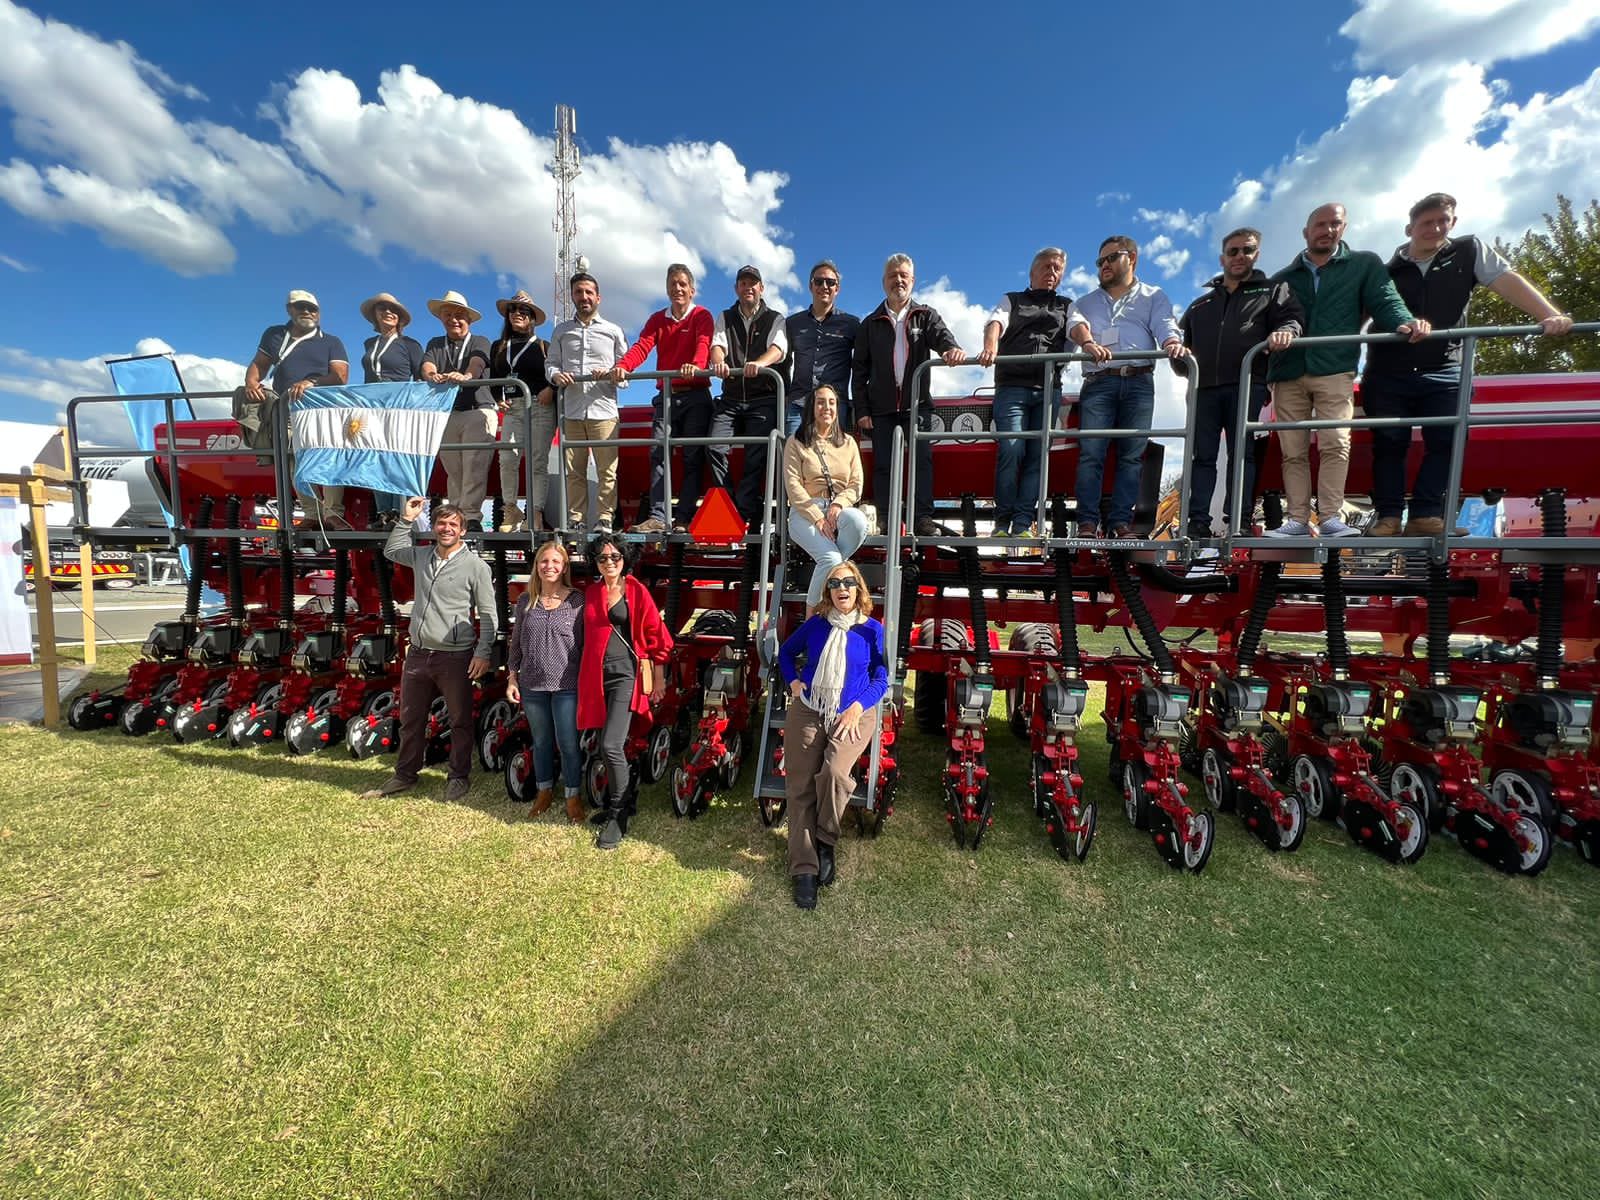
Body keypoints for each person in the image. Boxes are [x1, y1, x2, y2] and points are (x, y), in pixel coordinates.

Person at [1363, 192, 1574, 537]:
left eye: (1442, 221)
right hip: (1388, 369)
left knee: (1448, 438)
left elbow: (1508, 281)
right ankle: (1387, 516)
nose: (1435, 228)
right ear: (1409, 228)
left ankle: (1425, 515)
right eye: (1426, 222)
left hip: (1445, 364)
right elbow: (1355, 316)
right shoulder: (1385, 271)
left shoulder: (1468, 251)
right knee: (1389, 442)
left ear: (1453, 223)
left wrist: (1549, 315)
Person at [1265, 203, 1429, 539]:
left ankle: (1330, 517)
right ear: (1306, 232)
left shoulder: (1363, 265)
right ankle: (1296, 519)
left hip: (1334, 367)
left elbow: (1385, 300)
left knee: (1336, 442)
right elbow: (1267, 320)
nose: (1327, 230)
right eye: (1320, 224)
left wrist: (1405, 321)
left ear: (1343, 228)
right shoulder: (1282, 278)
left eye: (1334, 224)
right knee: (1292, 449)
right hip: (1287, 370)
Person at [362, 498, 497, 804]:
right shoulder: (423, 556)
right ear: (434, 527)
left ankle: (458, 777)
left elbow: (489, 614)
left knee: (460, 719)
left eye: (453, 524)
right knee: (411, 718)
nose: (446, 528)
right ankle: (405, 774)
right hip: (419, 654)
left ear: (462, 530)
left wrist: (483, 652)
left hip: (455, 656)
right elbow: (392, 551)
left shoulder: (476, 567)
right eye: (441, 523)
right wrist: (407, 519)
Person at [1175, 230, 1304, 537]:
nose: (1239, 256)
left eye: (1247, 250)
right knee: (1201, 456)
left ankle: (1239, 521)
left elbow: (1293, 320)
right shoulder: (1200, 305)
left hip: (1248, 385)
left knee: (1241, 453)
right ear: (1223, 258)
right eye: (1233, 251)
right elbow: (1182, 352)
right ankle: (1197, 523)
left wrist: (1286, 332)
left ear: (1256, 254)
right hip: (1202, 388)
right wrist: (1178, 354)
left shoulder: (1273, 290)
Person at [777, 559, 887, 910]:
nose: (843, 588)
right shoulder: (815, 626)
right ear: (828, 591)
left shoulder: (872, 629)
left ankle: (825, 837)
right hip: (810, 707)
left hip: (854, 712)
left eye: (849, 582)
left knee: (836, 774)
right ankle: (804, 869)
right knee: (800, 787)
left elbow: (881, 677)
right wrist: (793, 682)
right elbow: (786, 652)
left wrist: (858, 707)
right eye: (836, 583)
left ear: (859, 590)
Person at [1066, 237, 1185, 538]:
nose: (1103, 265)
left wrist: (1171, 342)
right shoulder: (1085, 302)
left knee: (1132, 455)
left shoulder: (1153, 296)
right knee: (1091, 454)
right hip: (1098, 383)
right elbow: (1074, 324)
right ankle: (1087, 524)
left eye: (1110, 258)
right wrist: (1088, 342)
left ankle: (1120, 523)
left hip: (1139, 382)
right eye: (1099, 261)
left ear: (1131, 258)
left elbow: (1164, 323)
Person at [851, 254, 967, 536]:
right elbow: (859, 369)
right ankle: (887, 517)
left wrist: (951, 349)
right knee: (883, 465)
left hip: (917, 406)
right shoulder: (870, 323)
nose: (898, 280)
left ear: (913, 281)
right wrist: (862, 409)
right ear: (884, 282)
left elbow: (942, 337)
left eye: (904, 275)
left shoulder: (925, 315)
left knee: (921, 462)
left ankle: (922, 518)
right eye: (893, 275)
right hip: (881, 408)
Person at [577, 535, 674, 850]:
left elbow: (656, 635)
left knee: (612, 744)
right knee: (605, 746)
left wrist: (658, 677)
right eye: (603, 558)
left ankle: (619, 815)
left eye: (615, 557)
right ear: (595, 562)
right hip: (595, 677)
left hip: (626, 676)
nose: (609, 563)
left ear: (625, 560)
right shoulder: (590, 593)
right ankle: (623, 800)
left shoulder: (636, 591)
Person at [975, 247, 1073, 536]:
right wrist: (991, 346)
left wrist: (1089, 341)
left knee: (1037, 456)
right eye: (1046, 266)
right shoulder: (1012, 300)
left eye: (1057, 268)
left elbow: (1078, 328)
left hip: (1048, 388)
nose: (1051, 272)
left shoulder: (1067, 305)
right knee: (1012, 449)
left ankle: (1022, 523)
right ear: (1032, 272)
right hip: (1012, 387)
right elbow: (995, 322)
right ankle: (1002, 521)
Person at [611, 264, 715, 534]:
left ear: (692, 290)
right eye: (673, 284)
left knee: (693, 456)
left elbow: (704, 344)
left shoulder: (702, 316)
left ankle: (684, 518)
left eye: (682, 284)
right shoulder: (658, 319)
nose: (677, 288)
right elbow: (642, 345)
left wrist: (695, 365)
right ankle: (658, 516)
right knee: (658, 452)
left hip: (696, 396)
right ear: (667, 289)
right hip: (666, 396)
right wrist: (623, 366)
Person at [237, 288, 350, 527]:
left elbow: (340, 375)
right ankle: (311, 514)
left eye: (313, 309)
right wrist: (250, 382)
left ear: (319, 314)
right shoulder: (274, 335)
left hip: (322, 412)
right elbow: (259, 364)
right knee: (295, 464)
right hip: (287, 413)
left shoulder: (331, 341)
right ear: (290, 310)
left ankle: (333, 514)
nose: (307, 312)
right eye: (301, 307)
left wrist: (311, 382)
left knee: (329, 459)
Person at [506, 539, 585, 822]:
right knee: (540, 741)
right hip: (532, 684)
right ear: (536, 566)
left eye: (555, 562)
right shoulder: (527, 601)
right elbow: (516, 643)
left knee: (568, 743)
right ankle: (544, 792)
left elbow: (587, 644)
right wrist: (512, 678)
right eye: (544, 561)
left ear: (564, 567)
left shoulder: (577, 600)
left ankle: (573, 796)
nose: (549, 566)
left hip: (566, 685)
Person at [709, 264, 787, 530]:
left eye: (753, 283)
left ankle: (743, 512)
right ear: (737, 289)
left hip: (761, 398)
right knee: (714, 446)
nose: (748, 287)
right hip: (730, 397)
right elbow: (717, 346)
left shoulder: (774, 318)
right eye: (743, 283)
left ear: (761, 288)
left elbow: (778, 348)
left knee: (756, 452)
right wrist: (719, 362)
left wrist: (760, 363)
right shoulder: (725, 317)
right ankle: (727, 504)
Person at [548, 272, 628, 531]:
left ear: (598, 297)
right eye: (579, 292)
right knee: (574, 472)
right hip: (571, 411)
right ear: (572, 295)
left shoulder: (613, 331)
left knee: (607, 470)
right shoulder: (561, 331)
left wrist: (613, 375)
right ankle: (577, 519)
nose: (584, 297)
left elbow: (626, 370)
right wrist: (556, 375)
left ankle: (604, 518)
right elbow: (551, 363)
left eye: (588, 292)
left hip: (603, 410)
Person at [784, 385, 867, 607]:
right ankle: (812, 618)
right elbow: (792, 485)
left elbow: (856, 484)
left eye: (831, 402)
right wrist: (817, 517)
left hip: (839, 511)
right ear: (812, 407)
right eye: (821, 402)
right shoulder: (796, 441)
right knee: (831, 559)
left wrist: (838, 505)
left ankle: (832, 595)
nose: (826, 407)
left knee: (859, 521)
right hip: (805, 513)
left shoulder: (848, 443)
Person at [420, 290, 494, 530]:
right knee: (454, 470)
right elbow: (427, 365)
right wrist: (433, 376)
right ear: (441, 318)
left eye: (459, 315)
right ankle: (455, 516)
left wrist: (466, 377)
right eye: (448, 314)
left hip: (477, 409)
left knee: (474, 465)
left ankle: (471, 517)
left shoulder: (480, 341)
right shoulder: (435, 344)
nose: (454, 319)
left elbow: (477, 363)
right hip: (447, 412)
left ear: (469, 320)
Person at [358, 291, 426, 526]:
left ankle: (401, 513)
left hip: (398, 407)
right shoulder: (369, 344)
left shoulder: (410, 345)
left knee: (397, 459)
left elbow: (420, 379)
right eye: (382, 309)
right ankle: (384, 513)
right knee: (375, 459)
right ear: (374, 315)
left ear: (400, 318)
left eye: (393, 310)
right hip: (372, 408)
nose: (388, 312)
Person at [489, 290, 553, 533]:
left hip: (539, 406)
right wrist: (497, 398)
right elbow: (495, 378)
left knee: (537, 462)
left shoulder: (543, 346)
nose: (517, 314)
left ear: (532, 318)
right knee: (507, 458)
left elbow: (554, 374)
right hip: (513, 408)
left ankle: (535, 513)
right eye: (513, 310)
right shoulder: (498, 346)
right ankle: (511, 509)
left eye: (524, 311)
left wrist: (551, 389)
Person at [785, 259, 859, 436]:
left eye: (830, 282)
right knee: (793, 456)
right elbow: (782, 361)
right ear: (811, 286)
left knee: (830, 459)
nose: (824, 286)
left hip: (833, 405)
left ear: (837, 288)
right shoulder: (792, 323)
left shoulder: (852, 324)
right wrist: (785, 394)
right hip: (798, 405)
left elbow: (863, 362)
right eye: (819, 281)